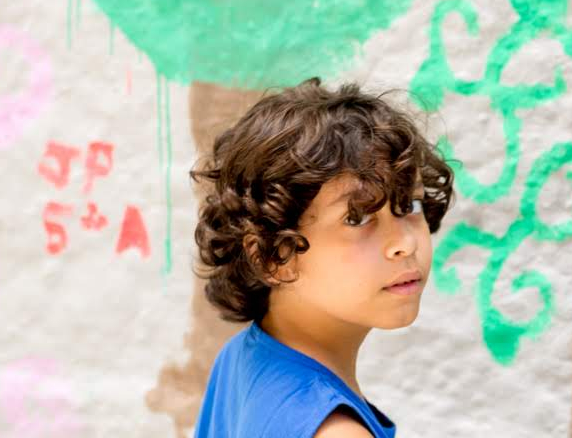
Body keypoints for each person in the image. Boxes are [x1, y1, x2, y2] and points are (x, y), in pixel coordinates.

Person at [191, 78, 455, 437]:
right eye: (357, 218)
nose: (404, 244)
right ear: (272, 256)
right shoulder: (335, 430)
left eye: (410, 205)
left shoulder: (243, 358)